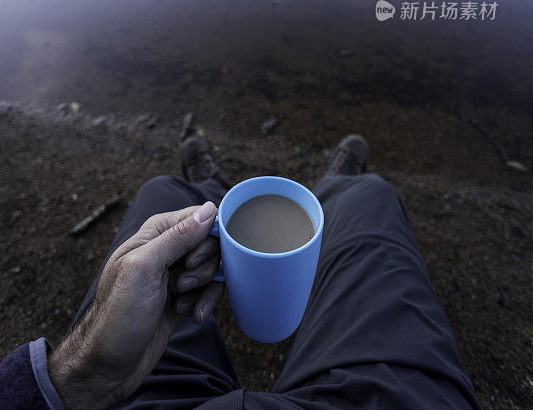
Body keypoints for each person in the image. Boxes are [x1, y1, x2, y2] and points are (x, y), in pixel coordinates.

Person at [0, 135, 482, 410]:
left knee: (163, 192)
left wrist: (86, 374)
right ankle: (343, 184)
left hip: (127, 399)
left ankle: (207, 183)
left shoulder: (104, 375)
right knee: (370, 203)